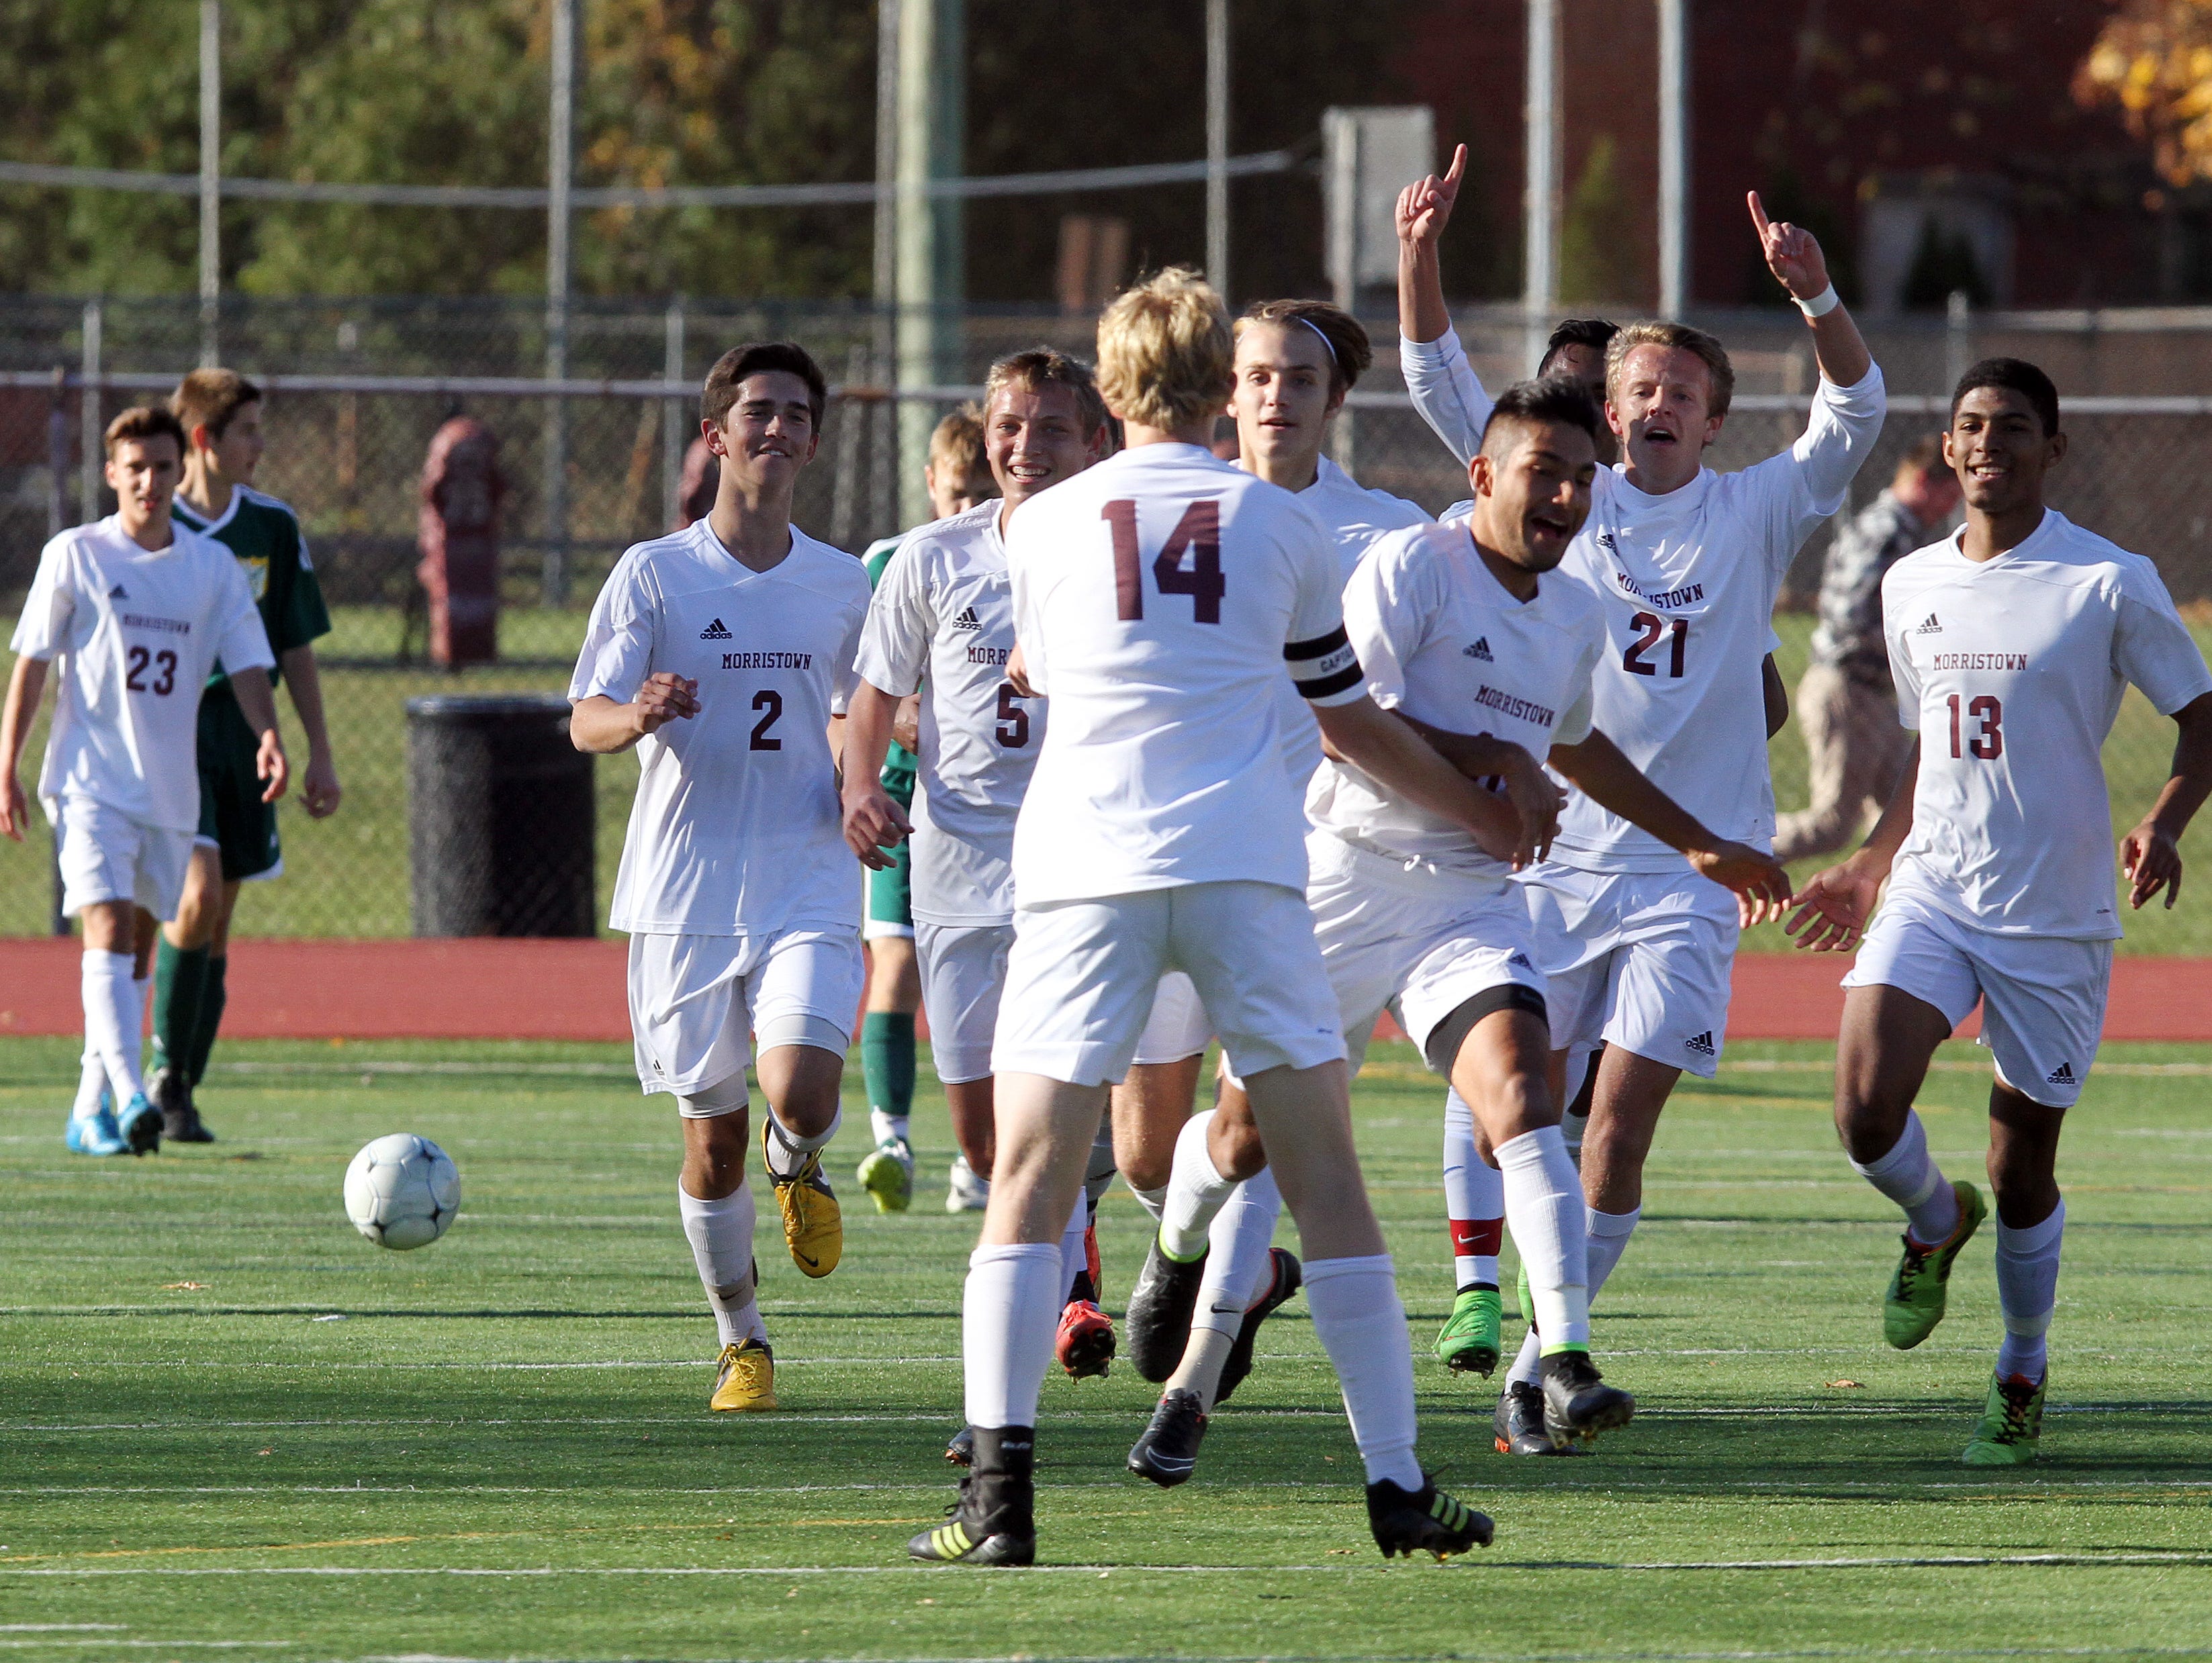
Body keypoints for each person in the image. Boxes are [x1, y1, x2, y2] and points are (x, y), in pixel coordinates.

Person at [906, 269, 1503, 1568]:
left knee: (1026, 1179)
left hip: (1081, 872)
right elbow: (1345, 719)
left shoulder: (1036, 528)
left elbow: (1050, 670)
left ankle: (997, 1502)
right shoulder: (1282, 527)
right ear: (1217, 386)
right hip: (1243, 866)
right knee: (1328, 1182)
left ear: (1110, 385)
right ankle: (1395, 1486)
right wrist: (1478, 806)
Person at [1129, 379, 1791, 1486]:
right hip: (1341, 884)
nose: (1568, 494)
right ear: (1482, 476)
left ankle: (1563, 1355)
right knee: (1245, 1140)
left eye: (1583, 476)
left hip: (1465, 904)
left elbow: (1574, 748)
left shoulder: (1573, 611)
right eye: (1545, 469)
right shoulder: (1411, 568)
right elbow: (1344, 726)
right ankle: (1174, 1253)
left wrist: (1696, 840)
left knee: (1522, 1096)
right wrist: (1488, 760)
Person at [1397, 165, 1886, 1454]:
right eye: (1637, 389)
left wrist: (1813, 292)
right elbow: (1444, 385)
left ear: (1713, 418)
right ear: (1605, 414)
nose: (1656, 403)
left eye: (1680, 389)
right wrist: (1420, 251)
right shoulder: (1567, 499)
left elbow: (1857, 404)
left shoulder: (1752, 507)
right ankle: (1491, 1297)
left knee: (1620, 1118)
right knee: (1525, 1102)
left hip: (1693, 875)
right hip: (1554, 857)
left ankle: (1536, 1364)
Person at [1787, 359, 2212, 1465]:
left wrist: (2162, 822)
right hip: (1932, 883)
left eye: (2010, 427)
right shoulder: (1908, 583)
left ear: (2050, 449)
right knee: (1860, 1110)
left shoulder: (2105, 579)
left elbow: (2201, 717)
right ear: (1946, 444)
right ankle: (1933, 1217)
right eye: (1968, 425)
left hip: (2053, 913)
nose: (1984, 444)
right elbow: (1928, 745)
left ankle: (2019, 1366)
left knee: (2021, 1163)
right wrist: (1871, 863)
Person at [1123, 297, 1444, 1438]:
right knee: (1144, 1148)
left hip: (1324, 864)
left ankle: (1190, 1384)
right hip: (1177, 841)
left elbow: (1391, 697)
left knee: (1269, 1113)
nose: (1273, 396)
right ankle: (1188, 1249)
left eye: (1297, 378)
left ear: (1332, 398)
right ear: (1224, 389)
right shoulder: (1177, 513)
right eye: (1254, 375)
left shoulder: (1384, 531)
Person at [569, 342, 870, 1416]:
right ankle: (741, 1339)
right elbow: (585, 717)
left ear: (813, 440)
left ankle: (802, 1159)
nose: (775, 429)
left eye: (795, 413)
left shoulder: (843, 583)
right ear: (715, 436)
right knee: (712, 1139)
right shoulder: (655, 573)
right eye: (756, 412)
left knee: (800, 1089)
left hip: (807, 876)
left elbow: (859, 713)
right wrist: (635, 714)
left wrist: (863, 786)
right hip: (685, 893)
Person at [841, 348, 1115, 1380]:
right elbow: (872, 692)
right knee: (986, 1143)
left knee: (1088, 1116)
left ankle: (1061, 1317)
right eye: (1010, 425)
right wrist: (862, 787)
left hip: (1084, 868)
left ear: (1095, 441)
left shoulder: (1119, 555)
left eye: (1050, 428)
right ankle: (1068, 1274)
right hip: (956, 870)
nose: (1025, 445)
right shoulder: (930, 558)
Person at [3, 407, 285, 1157]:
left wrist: (269, 735)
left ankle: (88, 1108)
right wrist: (8, 767)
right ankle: (134, 1096)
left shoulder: (210, 568)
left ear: (176, 469)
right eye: (135, 468)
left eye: (162, 467)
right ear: (111, 474)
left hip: (169, 792)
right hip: (90, 784)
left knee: (132, 948)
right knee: (102, 926)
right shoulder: (77, 555)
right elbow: (31, 663)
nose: (150, 482)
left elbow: (250, 661)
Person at [146, 370, 340, 1144]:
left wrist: (318, 749)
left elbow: (293, 641)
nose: (262, 444)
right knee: (193, 899)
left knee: (219, 917)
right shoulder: (154, 525)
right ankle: (160, 1071)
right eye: (249, 430)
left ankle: (182, 1089)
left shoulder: (270, 526)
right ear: (204, 439)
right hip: (173, 729)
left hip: (245, 734)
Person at [854, 407, 995, 1215]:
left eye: (981, 487)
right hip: (902, 798)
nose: (967, 503)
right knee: (899, 965)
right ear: (931, 484)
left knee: (987, 987)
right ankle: (892, 1137)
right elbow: (857, 684)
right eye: (956, 490)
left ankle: (979, 1159)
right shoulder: (893, 561)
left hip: (986, 811)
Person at [1773, 436, 1961, 863]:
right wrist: (1921, 648)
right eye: (1949, 494)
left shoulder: (1903, 529)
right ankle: (1730, 855)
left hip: (1874, 695)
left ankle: (1902, 925)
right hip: (1848, 687)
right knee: (1834, 824)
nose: (1949, 508)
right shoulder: (1889, 530)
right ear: (1921, 480)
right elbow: (1850, 614)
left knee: (1906, 821)